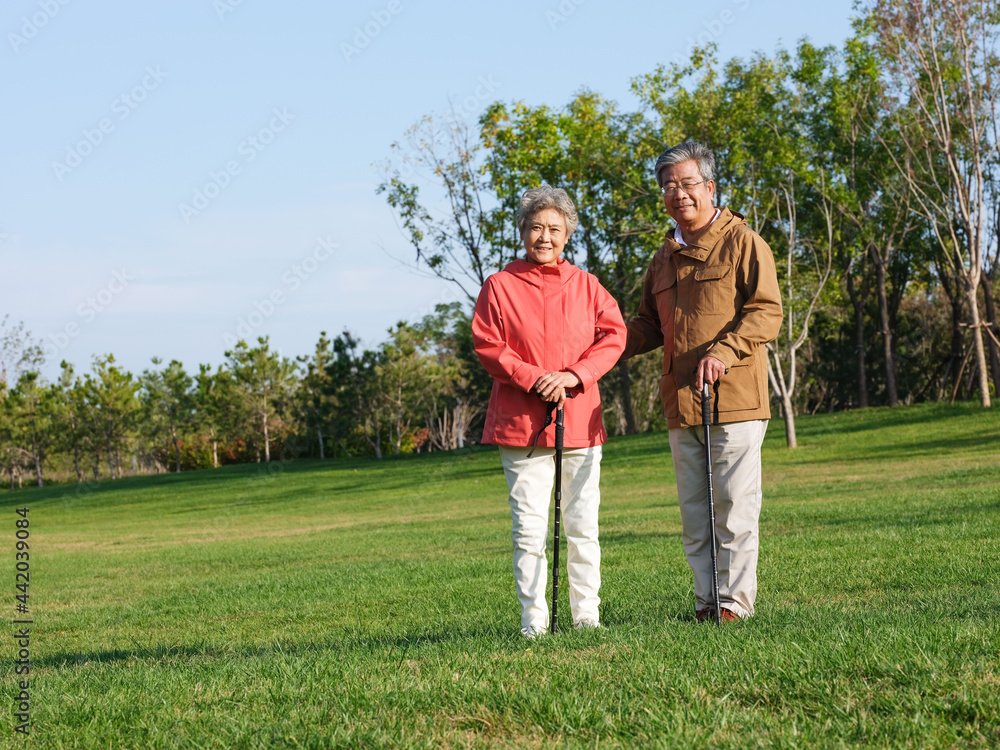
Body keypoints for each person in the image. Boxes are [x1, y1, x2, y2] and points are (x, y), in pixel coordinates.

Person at [620, 141, 782, 622]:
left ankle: (733, 605)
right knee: (695, 516)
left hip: (733, 401)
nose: (678, 193)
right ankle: (706, 602)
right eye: (668, 185)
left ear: (709, 187)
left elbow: (767, 312)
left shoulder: (743, 242)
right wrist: (604, 343)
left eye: (688, 183)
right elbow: (648, 325)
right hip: (681, 403)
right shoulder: (663, 257)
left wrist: (724, 351)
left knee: (732, 509)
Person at [472, 185, 626, 638]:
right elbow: (487, 345)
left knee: (582, 526)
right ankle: (533, 624)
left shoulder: (588, 286)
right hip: (521, 425)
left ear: (568, 235)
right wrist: (533, 376)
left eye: (555, 229)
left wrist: (574, 376)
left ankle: (586, 619)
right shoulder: (499, 286)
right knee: (529, 529)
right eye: (536, 227)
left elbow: (613, 337)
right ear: (522, 231)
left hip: (579, 421)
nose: (545, 237)